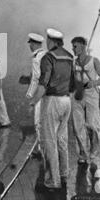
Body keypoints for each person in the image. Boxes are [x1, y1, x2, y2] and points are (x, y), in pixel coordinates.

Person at [30, 28, 74, 190]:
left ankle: (52, 181)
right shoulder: (69, 56)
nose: (46, 44)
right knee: (62, 139)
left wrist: (34, 101)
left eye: (48, 41)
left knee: (49, 142)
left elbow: (43, 84)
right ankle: (63, 174)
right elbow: (72, 83)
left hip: (52, 101)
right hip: (66, 101)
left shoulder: (48, 58)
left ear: (51, 41)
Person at [71, 36, 100, 164]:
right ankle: (82, 152)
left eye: (75, 46)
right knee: (77, 125)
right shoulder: (73, 63)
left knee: (93, 124)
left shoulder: (94, 61)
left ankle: (94, 150)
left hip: (91, 95)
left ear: (82, 46)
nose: (73, 49)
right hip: (77, 95)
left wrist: (94, 82)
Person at [20, 33, 46, 156]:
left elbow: (36, 79)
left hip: (41, 93)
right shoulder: (47, 55)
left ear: (34, 44)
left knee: (38, 122)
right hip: (50, 93)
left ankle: (41, 150)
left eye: (30, 43)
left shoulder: (36, 58)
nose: (30, 46)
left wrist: (30, 95)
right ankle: (45, 148)